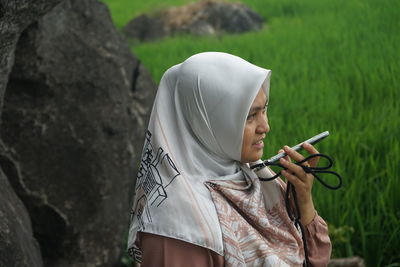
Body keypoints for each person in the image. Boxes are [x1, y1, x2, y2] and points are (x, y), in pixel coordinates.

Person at [127, 52, 331, 267]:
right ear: (205, 121)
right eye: (250, 116)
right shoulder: (180, 227)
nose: (265, 127)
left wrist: (303, 202)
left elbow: (313, 261)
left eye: (265, 110)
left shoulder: (256, 177)